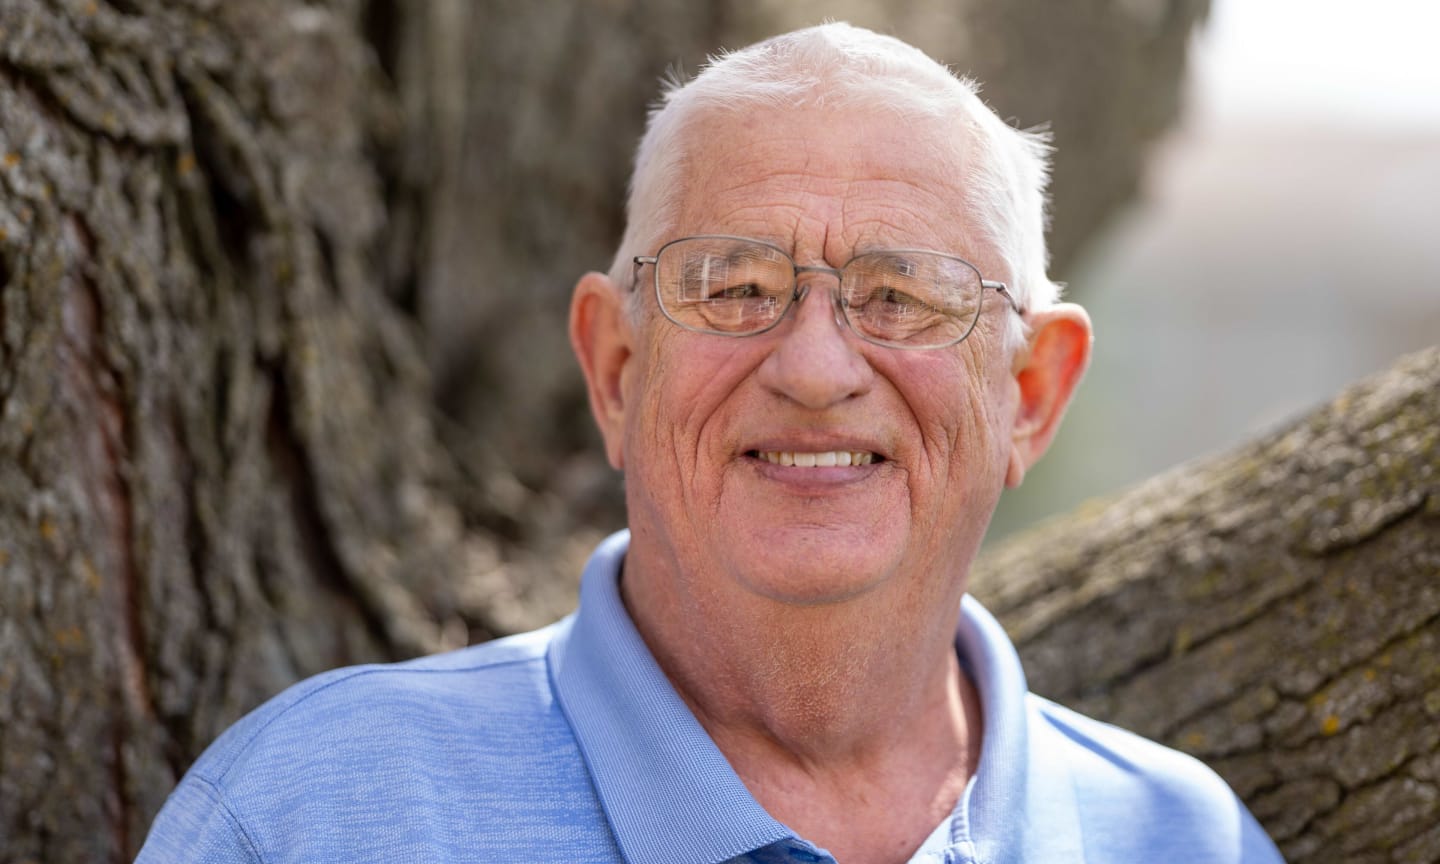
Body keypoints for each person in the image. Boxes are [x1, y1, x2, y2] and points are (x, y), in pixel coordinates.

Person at [138, 23, 1282, 864]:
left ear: (1030, 392)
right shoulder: (317, 816)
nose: (817, 367)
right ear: (618, 370)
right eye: (734, 287)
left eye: (902, 295)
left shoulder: (1186, 842)